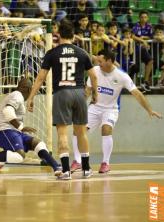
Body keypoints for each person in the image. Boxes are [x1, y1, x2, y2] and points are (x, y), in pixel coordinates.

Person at [26, 19, 98, 180]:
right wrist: (94, 94)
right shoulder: (82, 53)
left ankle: (66, 171)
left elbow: (40, 78)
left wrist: (30, 98)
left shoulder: (53, 53)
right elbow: (93, 75)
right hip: (79, 93)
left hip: (61, 93)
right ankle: (86, 169)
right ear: (73, 35)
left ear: (59, 35)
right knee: (81, 133)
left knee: (62, 133)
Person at [70, 49, 162, 173]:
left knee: (106, 129)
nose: (98, 63)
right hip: (94, 107)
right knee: (77, 131)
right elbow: (87, 90)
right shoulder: (95, 71)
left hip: (110, 109)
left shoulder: (121, 76)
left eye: (101, 61)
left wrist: (149, 110)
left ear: (109, 61)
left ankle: (105, 163)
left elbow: (137, 94)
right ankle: (78, 161)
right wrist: (78, 106)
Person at [0, 78, 62, 176]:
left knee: (38, 144)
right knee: (19, 156)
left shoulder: (16, 95)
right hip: (3, 130)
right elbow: (7, 110)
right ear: (28, 89)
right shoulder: (17, 95)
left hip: (13, 131)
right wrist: (21, 127)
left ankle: (56, 167)